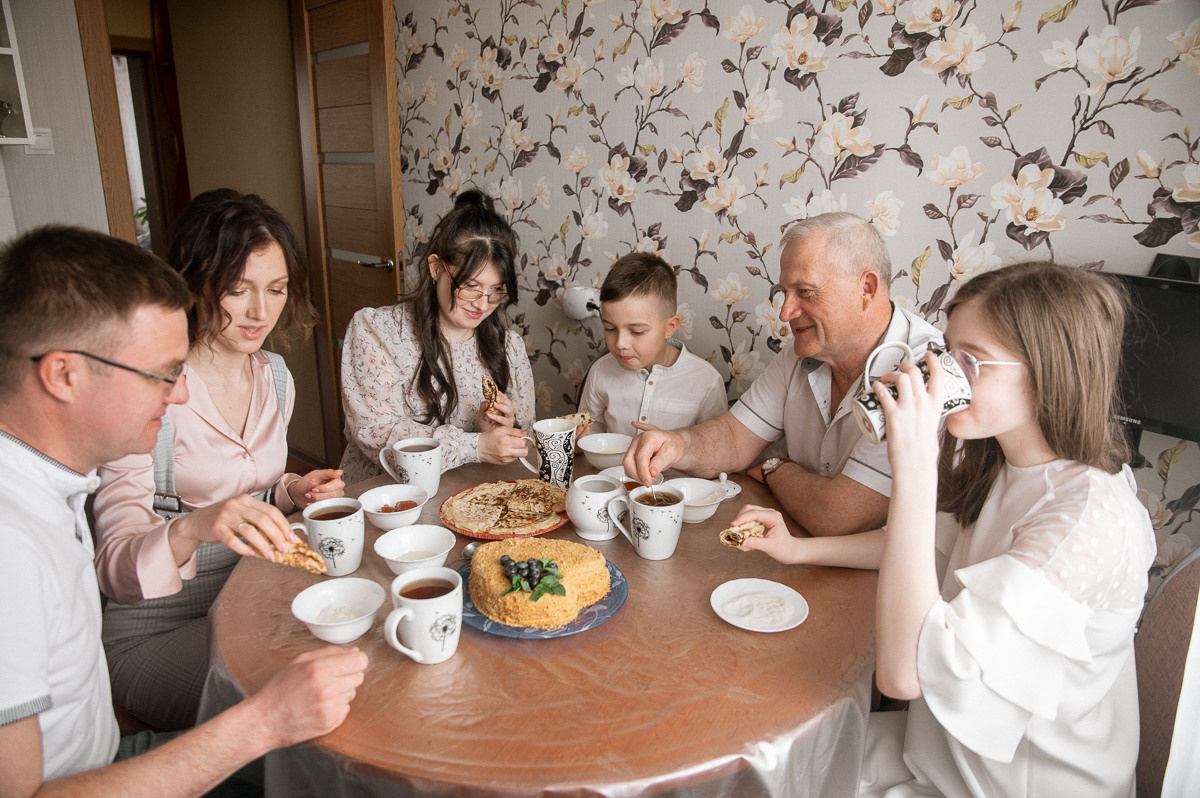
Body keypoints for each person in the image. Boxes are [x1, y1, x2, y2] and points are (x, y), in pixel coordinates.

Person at [732, 262, 1155, 796]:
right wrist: (799, 550)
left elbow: (905, 675)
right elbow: (923, 551)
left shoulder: (1087, 520)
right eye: (945, 353)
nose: (942, 374)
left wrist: (912, 467)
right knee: (764, 753)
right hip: (941, 746)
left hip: (1007, 782)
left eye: (970, 362)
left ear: (1050, 372)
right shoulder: (1003, 462)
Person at [0, 226, 367, 795]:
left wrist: (284, 493)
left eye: (277, 290)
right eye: (162, 374)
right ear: (63, 374)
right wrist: (265, 721)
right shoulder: (10, 545)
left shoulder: (53, 485)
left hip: (108, 760)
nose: (178, 395)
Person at [91, 189, 346, 732]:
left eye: (276, 290)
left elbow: (252, 485)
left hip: (254, 590)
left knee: (355, 639)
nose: (261, 312)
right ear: (192, 283)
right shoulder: (149, 393)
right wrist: (197, 526)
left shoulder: (275, 375)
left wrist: (290, 491)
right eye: (237, 290)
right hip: (159, 625)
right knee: (304, 684)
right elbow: (114, 568)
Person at [624, 212, 942, 536]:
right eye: (785, 292)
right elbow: (735, 439)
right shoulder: (802, 351)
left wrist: (777, 468)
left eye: (805, 291)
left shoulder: (925, 372)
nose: (785, 312)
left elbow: (838, 516)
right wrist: (677, 444)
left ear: (867, 288)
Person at [339, 189, 534, 484]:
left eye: (497, 291)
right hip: (389, 496)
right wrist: (475, 446)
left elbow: (526, 436)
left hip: (471, 496)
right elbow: (376, 433)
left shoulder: (510, 347)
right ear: (435, 268)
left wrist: (502, 429)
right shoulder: (377, 331)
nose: (483, 304)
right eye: (470, 286)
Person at [575, 252, 726, 437]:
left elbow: (713, 451)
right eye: (610, 328)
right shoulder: (599, 372)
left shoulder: (707, 381)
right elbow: (586, 434)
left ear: (669, 327)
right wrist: (576, 443)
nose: (620, 344)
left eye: (637, 332)